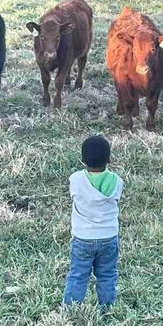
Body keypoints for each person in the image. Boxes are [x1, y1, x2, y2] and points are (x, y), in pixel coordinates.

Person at [63, 134, 123, 313]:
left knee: (78, 275)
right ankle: (107, 308)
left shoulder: (75, 180)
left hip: (82, 238)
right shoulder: (117, 181)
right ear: (109, 159)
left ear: (82, 160)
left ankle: (71, 309)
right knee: (107, 274)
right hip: (109, 236)